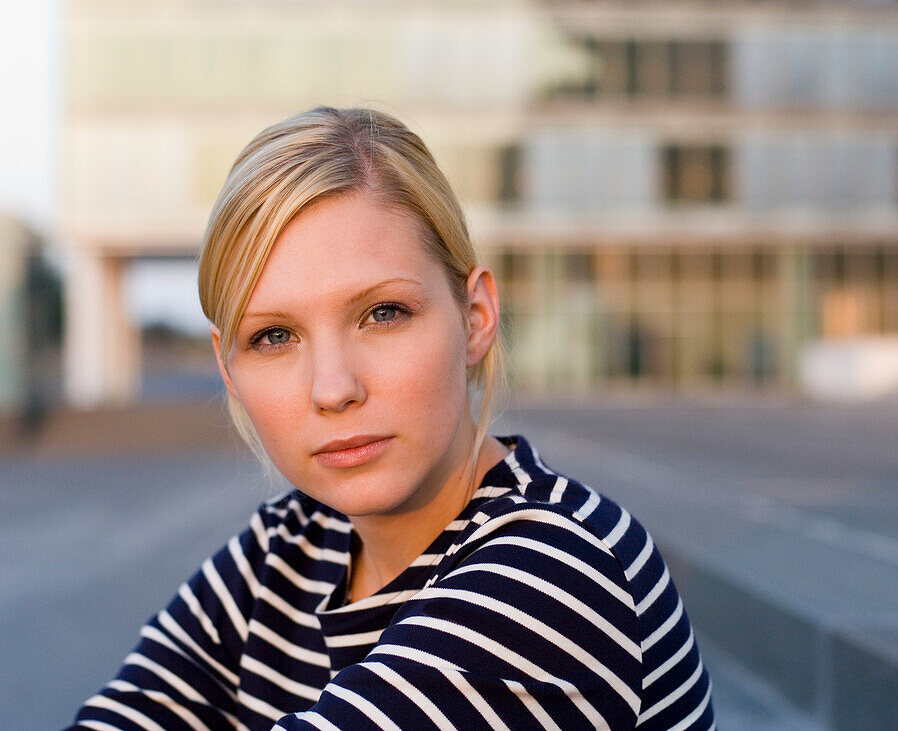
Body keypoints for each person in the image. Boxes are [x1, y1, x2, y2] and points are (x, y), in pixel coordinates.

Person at [70, 106, 714, 730]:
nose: (333, 388)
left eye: (382, 314)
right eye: (273, 336)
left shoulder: (558, 576)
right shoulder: (288, 550)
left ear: (475, 317)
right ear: (228, 368)